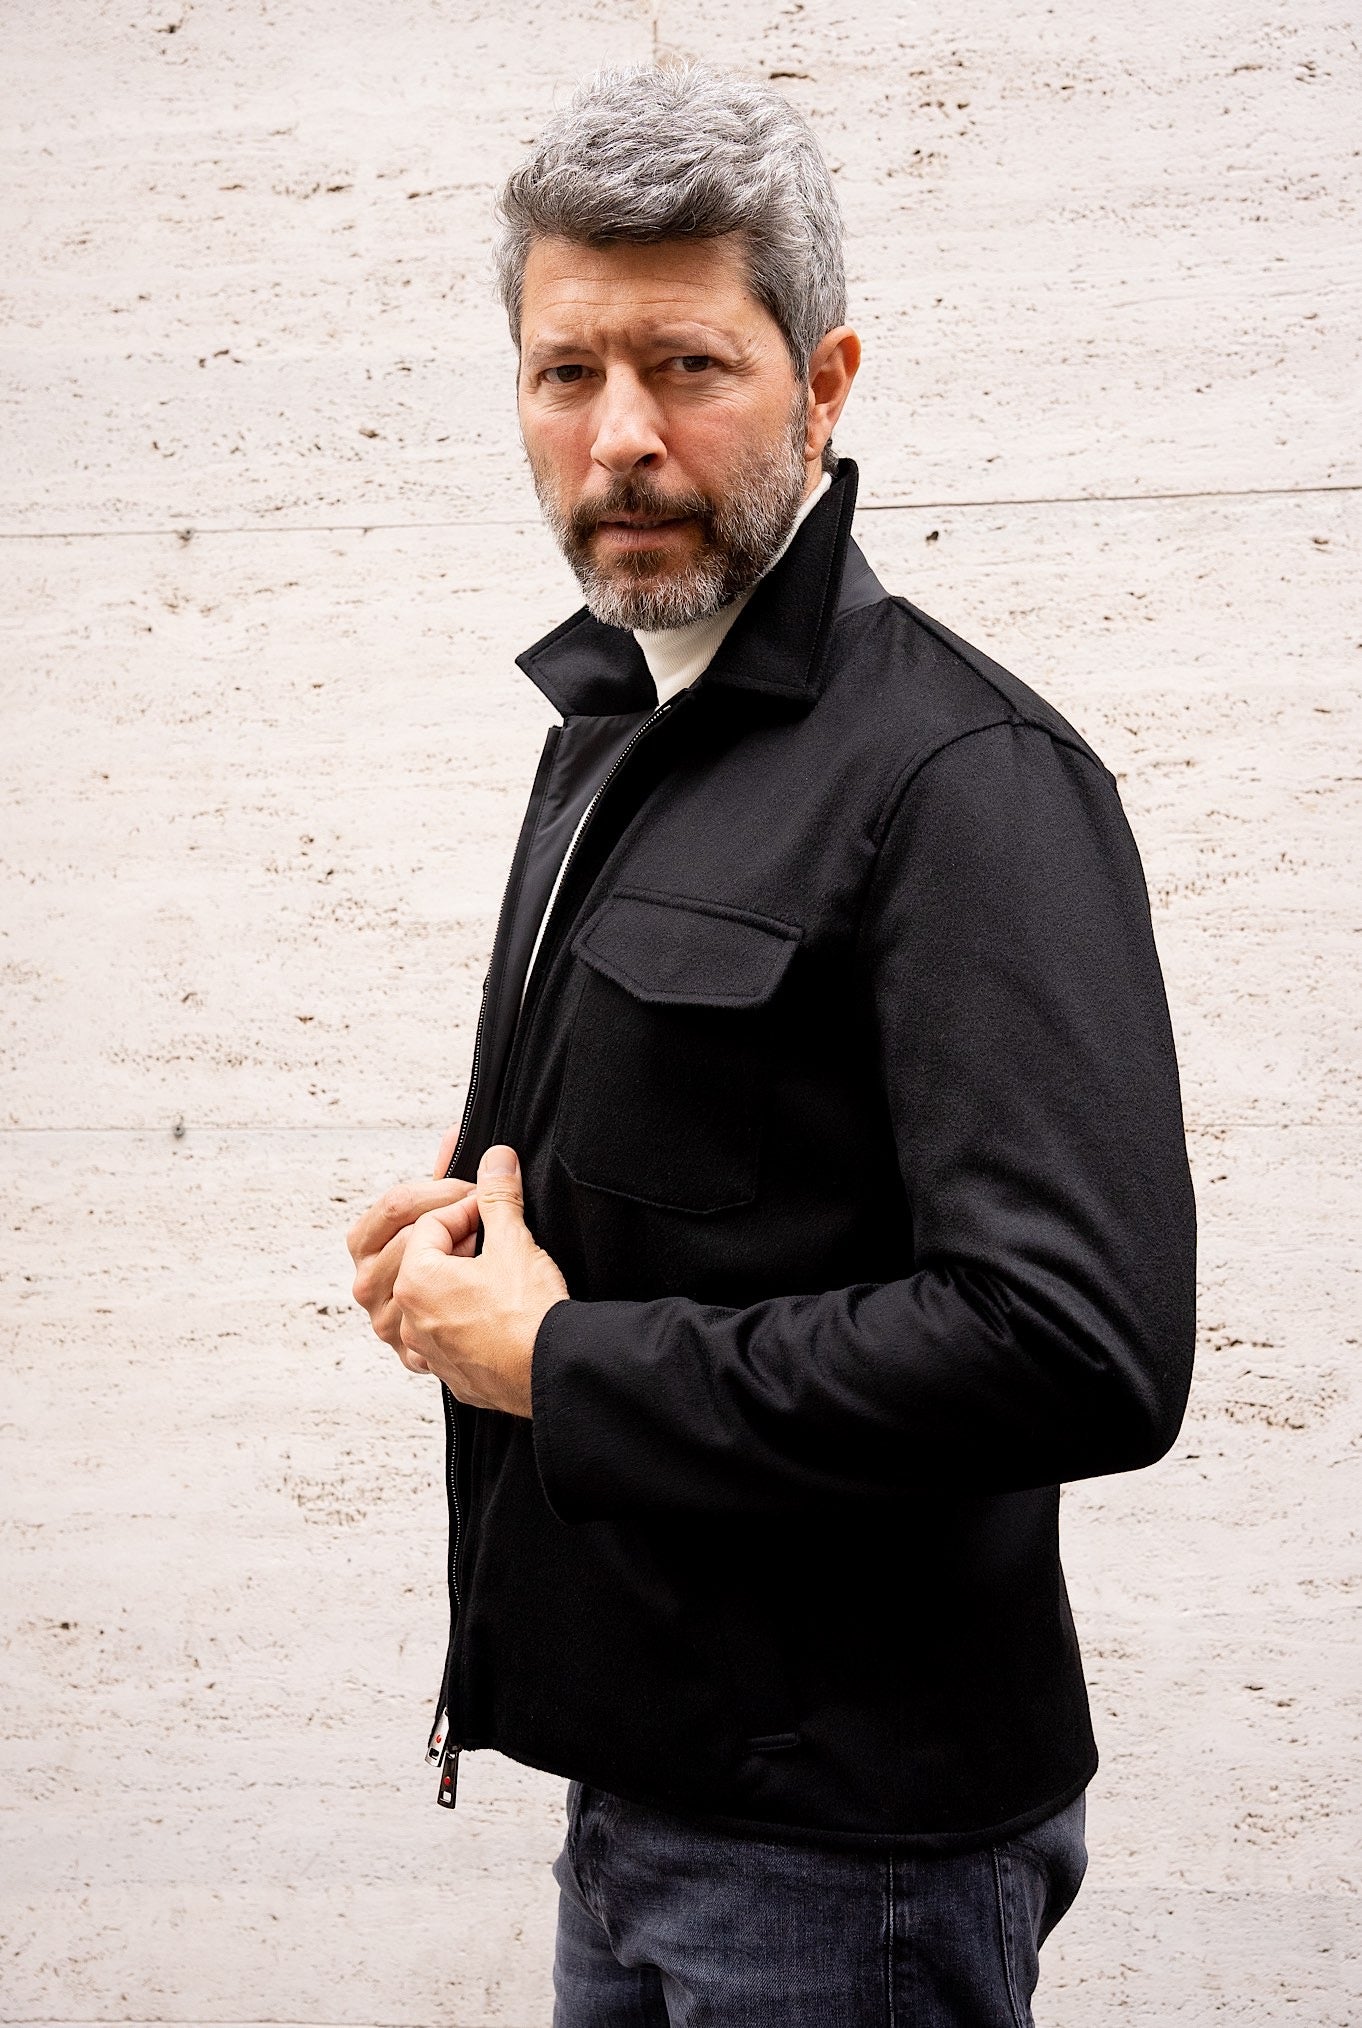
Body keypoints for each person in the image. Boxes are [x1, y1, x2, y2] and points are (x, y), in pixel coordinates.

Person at [346, 62, 1196, 2028]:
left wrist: (560, 1361)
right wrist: (472, 1266)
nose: (620, 438)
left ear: (823, 385)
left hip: (849, 1863)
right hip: (638, 1800)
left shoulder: (966, 779)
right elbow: (718, 1194)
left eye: (688, 369)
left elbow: (1078, 1343)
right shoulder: (612, 729)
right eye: (566, 373)